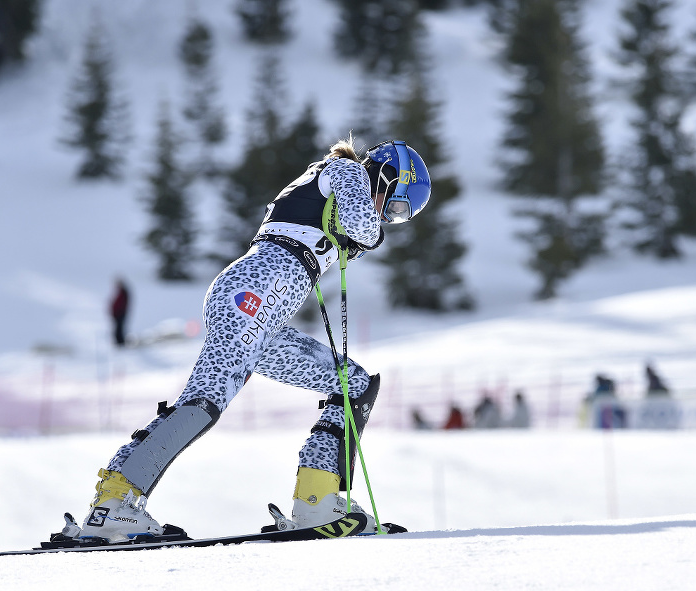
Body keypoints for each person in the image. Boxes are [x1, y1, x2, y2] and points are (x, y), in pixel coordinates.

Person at [55, 138, 432, 543]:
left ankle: (317, 500)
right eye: (393, 206)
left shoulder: (341, 183)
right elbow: (362, 225)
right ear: (385, 174)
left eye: (398, 217)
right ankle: (114, 504)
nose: (388, 217)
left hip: (263, 311)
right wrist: (370, 233)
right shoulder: (345, 171)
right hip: (250, 296)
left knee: (353, 385)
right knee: (203, 405)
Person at [109, 278, 131, 347]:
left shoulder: (124, 292)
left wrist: (118, 312)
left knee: (119, 329)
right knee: (117, 328)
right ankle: (119, 342)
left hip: (120, 314)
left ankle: (120, 342)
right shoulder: (121, 292)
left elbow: (122, 304)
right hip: (118, 314)